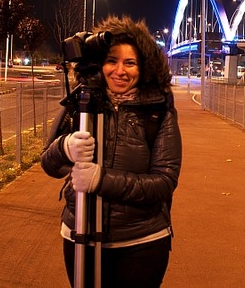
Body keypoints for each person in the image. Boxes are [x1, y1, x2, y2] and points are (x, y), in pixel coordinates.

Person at [41, 15, 182, 287]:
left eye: (130, 63)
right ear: (99, 64)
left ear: (144, 67)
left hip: (141, 241)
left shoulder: (158, 111)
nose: (120, 71)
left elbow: (164, 182)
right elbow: (48, 164)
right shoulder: (81, 102)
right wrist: (65, 147)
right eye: (111, 61)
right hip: (79, 232)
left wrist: (100, 180)